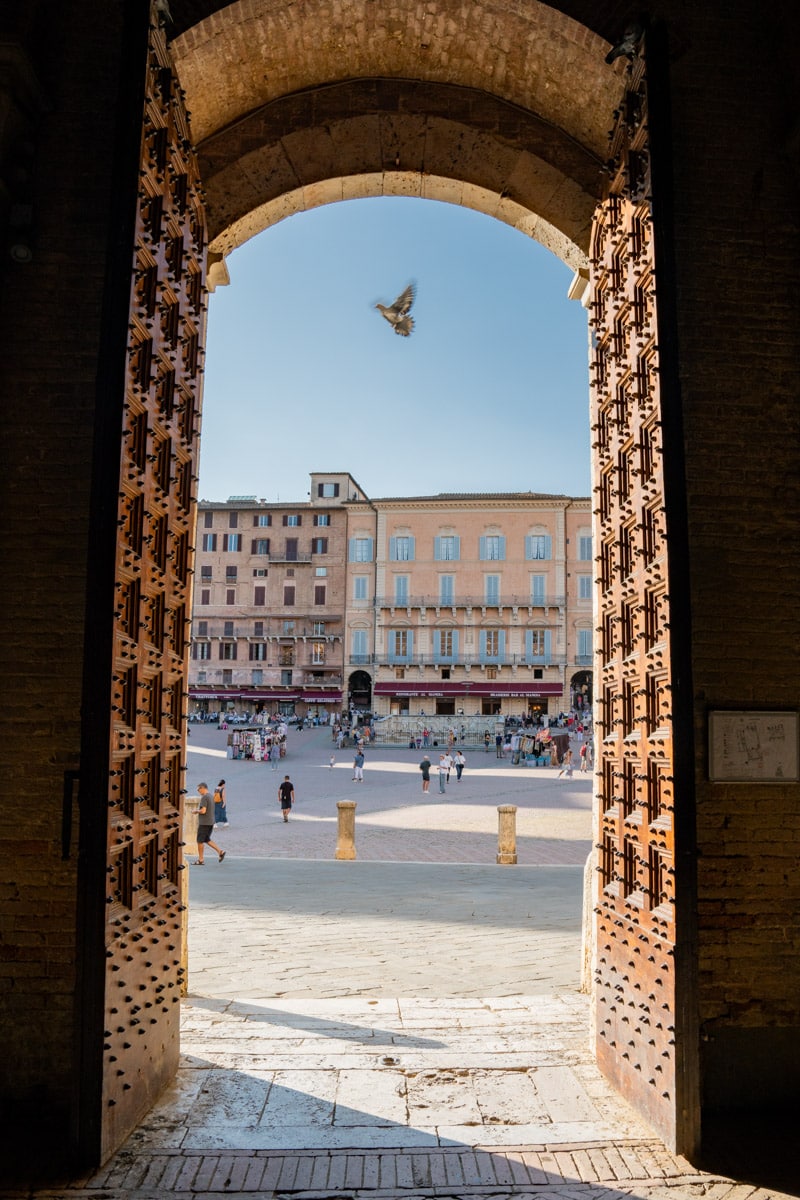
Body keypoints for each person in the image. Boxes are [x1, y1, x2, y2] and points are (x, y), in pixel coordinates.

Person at [195, 783, 226, 864]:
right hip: (210, 822)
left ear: (202, 788)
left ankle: (201, 860)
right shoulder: (211, 796)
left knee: (199, 841)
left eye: (198, 790)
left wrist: (195, 811)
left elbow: (203, 811)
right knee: (207, 839)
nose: (198, 791)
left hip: (204, 823)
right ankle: (220, 852)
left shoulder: (204, 797)